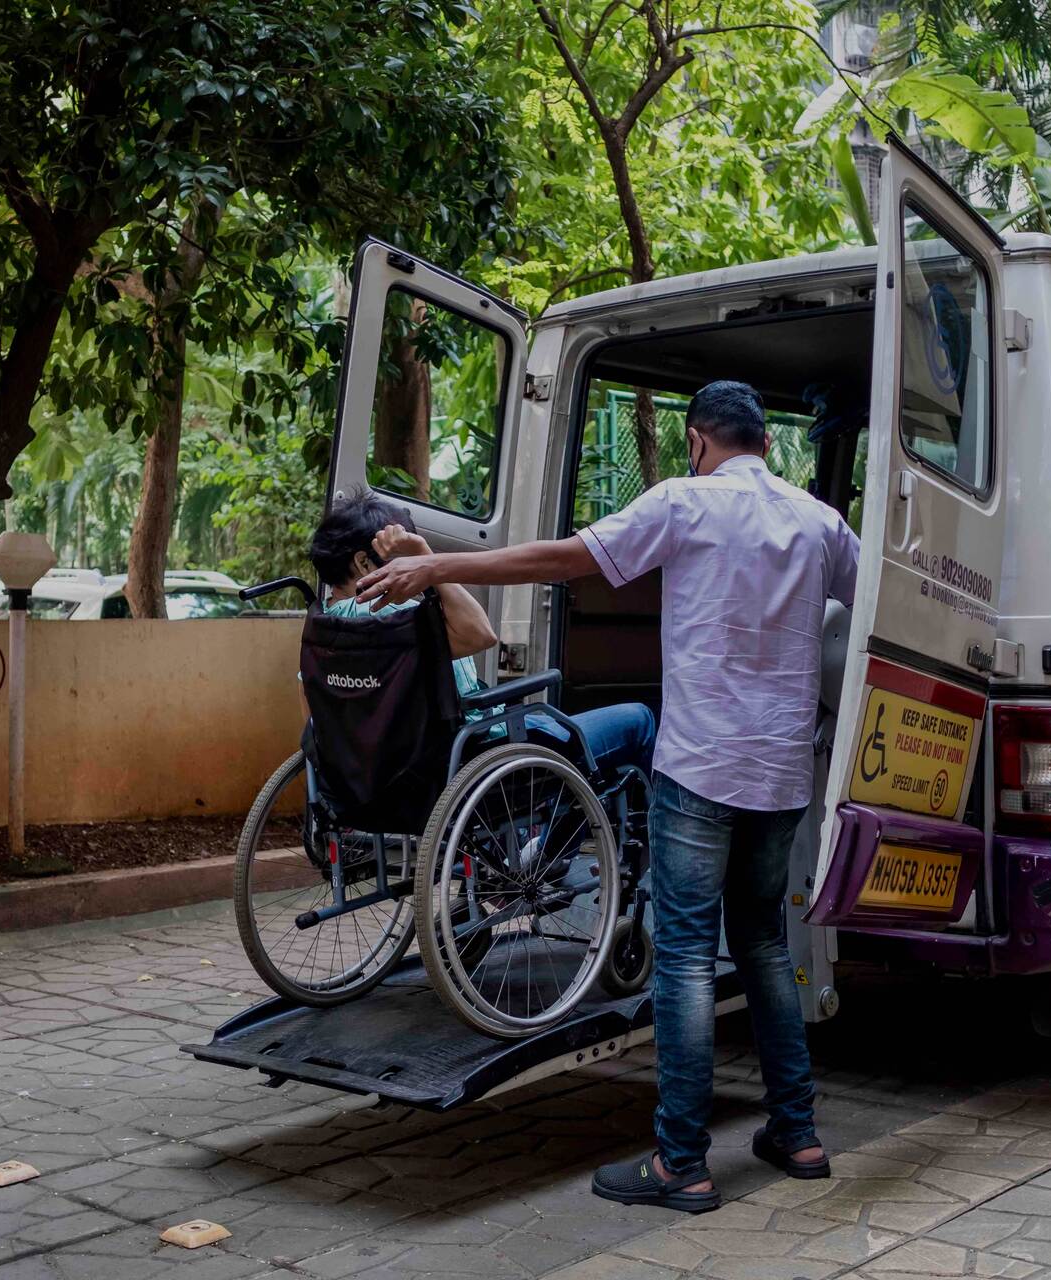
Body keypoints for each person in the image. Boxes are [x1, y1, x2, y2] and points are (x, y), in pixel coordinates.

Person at [357, 380, 860, 1214]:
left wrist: (435, 565)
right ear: (766, 444)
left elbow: (562, 557)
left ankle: (681, 1163)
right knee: (768, 946)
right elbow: (871, 596)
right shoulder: (817, 521)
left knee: (688, 958)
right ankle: (797, 1134)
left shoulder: (685, 502)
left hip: (699, 767)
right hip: (780, 773)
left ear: (698, 440)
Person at [308, 490, 655, 777]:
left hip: (381, 774)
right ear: (364, 564)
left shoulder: (322, 634)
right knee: (637, 719)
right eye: (402, 558)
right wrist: (426, 559)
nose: (410, 568)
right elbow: (481, 634)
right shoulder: (396, 621)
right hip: (474, 756)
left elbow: (319, 717)